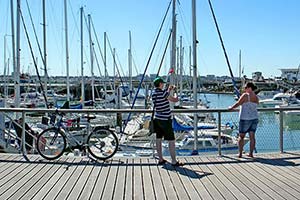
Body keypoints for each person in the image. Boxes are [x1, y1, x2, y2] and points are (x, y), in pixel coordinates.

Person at [152, 76, 184, 166]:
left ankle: (161, 159)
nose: (163, 85)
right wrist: (176, 93)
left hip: (157, 119)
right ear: (160, 84)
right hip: (165, 119)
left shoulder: (154, 93)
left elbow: (164, 96)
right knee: (171, 140)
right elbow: (174, 100)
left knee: (158, 139)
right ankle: (174, 161)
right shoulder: (163, 93)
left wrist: (168, 90)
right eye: (162, 83)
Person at [228, 82, 259, 158]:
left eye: (245, 87)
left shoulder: (245, 95)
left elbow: (238, 103)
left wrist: (231, 108)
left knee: (241, 137)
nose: (244, 89)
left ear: (249, 88)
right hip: (254, 118)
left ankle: (240, 153)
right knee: (252, 137)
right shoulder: (256, 97)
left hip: (245, 118)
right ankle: (251, 153)